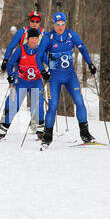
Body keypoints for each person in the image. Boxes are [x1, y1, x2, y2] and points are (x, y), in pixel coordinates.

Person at [35, 12, 97, 146]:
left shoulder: (71, 35)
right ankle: (47, 136)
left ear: (65, 24)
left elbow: (83, 49)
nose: (60, 27)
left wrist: (90, 63)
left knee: (80, 102)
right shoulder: (48, 38)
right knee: (52, 106)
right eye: (57, 25)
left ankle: (85, 134)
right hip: (54, 78)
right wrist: (42, 72)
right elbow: (38, 57)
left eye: (62, 24)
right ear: (54, 24)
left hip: (70, 76)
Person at [0, 28, 46, 141]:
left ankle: (41, 131)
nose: (34, 40)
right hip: (21, 82)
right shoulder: (20, 50)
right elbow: (10, 64)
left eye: (36, 38)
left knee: (38, 107)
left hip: (36, 83)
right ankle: (2, 131)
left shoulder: (41, 50)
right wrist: (11, 75)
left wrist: (49, 72)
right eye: (32, 38)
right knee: (14, 107)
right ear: (27, 39)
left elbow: (50, 62)